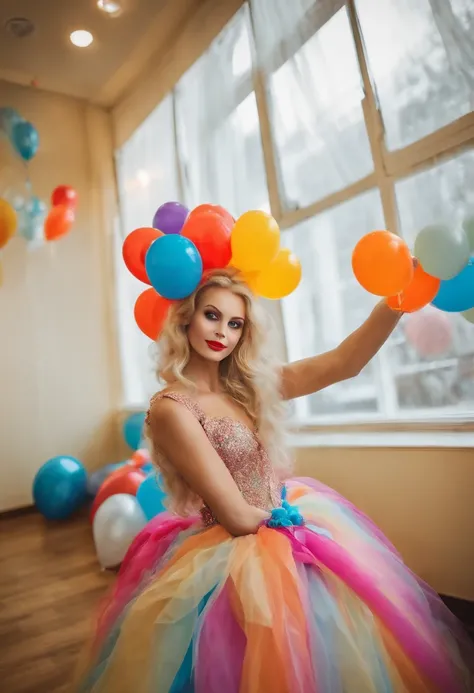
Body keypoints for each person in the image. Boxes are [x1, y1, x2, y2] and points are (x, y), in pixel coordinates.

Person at [77, 268, 473, 692]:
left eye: (235, 324)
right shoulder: (172, 408)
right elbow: (234, 515)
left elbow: (344, 363)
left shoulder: (246, 387)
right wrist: (301, 537)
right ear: (186, 318)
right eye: (211, 316)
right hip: (243, 544)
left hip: (281, 518)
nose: (222, 333)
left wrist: (397, 299)